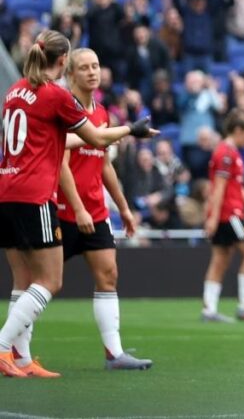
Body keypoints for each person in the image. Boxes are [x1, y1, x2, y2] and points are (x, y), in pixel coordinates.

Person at [0, 30, 155, 378]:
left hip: (7, 190)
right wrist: (132, 129)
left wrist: (122, 206)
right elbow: (97, 139)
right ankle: (2, 347)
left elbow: (73, 144)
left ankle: (22, 359)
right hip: (35, 195)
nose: (92, 72)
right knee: (50, 281)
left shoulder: (15, 89)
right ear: (64, 64)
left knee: (23, 279)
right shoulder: (56, 95)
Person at [54, 48, 153, 371]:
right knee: (41, 283)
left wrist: (122, 207)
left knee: (109, 274)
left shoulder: (102, 115)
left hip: (96, 212)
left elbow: (104, 165)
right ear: (71, 74)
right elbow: (61, 165)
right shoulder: (63, 110)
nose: (92, 72)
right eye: (84, 68)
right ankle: (14, 349)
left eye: (95, 66)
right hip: (64, 212)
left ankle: (114, 353)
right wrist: (78, 209)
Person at [201, 109, 244, 324]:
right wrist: (212, 219)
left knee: (221, 259)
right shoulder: (226, 154)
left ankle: (209, 309)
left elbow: (236, 188)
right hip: (230, 214)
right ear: (237, 130)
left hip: (228, 212)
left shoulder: (229, 152)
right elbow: (219, 188)